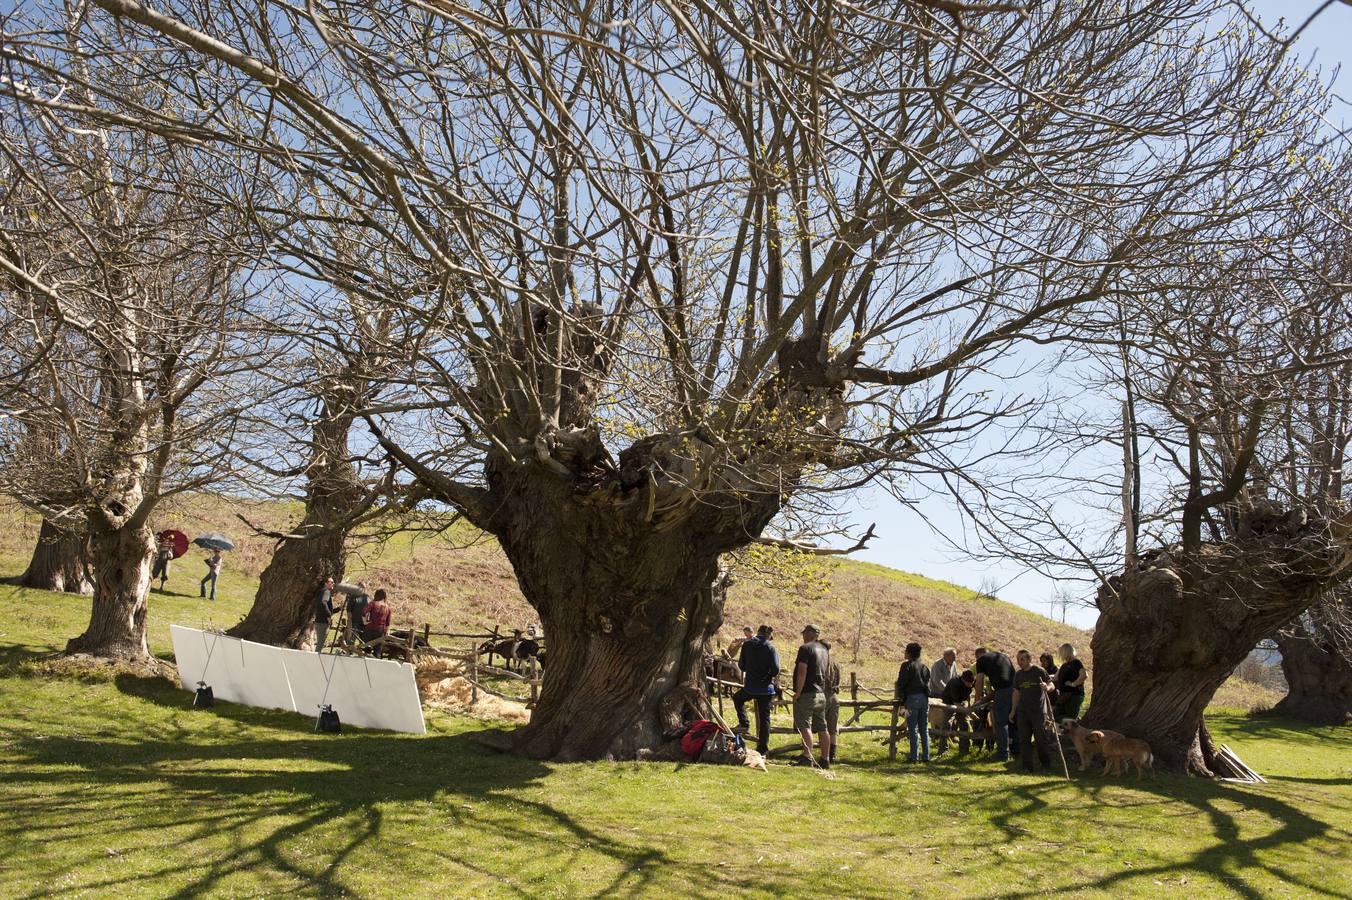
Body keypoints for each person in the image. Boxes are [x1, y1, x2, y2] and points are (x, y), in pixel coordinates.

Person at [733, 625, 780, 755]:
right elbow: (775, 670)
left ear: (758, 632)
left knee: (738, 698)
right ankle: (763, 748)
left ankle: (744, 723)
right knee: (764, 717)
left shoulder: (747, 645)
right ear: (768, 635)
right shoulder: (771, 647)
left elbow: (741, 665)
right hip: (766, 688)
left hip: (750, 687)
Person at [792, 624, 832, 768]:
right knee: (822, 727)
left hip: (807, 693)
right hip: (820, 693)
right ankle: (825, 758)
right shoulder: (824, 650)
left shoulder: (805, 649)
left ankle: (807, 756)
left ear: (810, 634)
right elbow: (827, 673)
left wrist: (798, 692)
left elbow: (802, 671)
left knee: (804, 725)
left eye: (804, 633)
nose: (803, 636)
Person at [1009, 649, 1054, 772]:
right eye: (1018, 660)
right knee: (1024, 740)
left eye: (1022, 659)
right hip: (1023, 712)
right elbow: (1016, 692)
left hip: (1038, 712)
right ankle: (1027, 767)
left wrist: (1047, 687)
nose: (1020, 662)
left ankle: (1045, 765)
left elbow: (1052, 685)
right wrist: (1013, 710)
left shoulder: (1039, 671)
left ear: (1029, 659)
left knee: (1041, 739)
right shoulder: (1018, 675)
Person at [973, 646, 1016, 760]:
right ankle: (1015, 749)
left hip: (1002, 691)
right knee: (1012, 720)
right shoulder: (1002, 656)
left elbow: (979, 683)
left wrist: (977, 702)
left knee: (1000, 722)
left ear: (977, 656)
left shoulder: (981, 661)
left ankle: (1003, 754)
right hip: (1015, 690)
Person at [895, 641, 931, 763]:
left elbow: (901, 683)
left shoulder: (906, 666)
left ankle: (914, 757)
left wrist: (901, 697)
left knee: (912, 728)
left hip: (911, 700)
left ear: (909, 653)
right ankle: (926, 756)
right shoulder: (924, 667)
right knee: (924, 728)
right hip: (924, 699)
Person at [937, 670, 977, 755]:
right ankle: (943, 750)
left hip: (961, 702)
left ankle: (964, 750)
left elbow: (968, 696)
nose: (971, 685)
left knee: (964, 724)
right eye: (969, 683)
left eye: (972, 683)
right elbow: (956, 704)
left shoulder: (971, 682)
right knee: (946, 724)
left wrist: (969, 707)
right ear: (963, 680)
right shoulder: (955, 684)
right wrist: (969, 713)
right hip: (949, 703)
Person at [1052, 643, 1088, 721]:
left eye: (1061, 653)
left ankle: (1077, 723)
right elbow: (1055, 677)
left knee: (1070, 718)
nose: (1060, 655)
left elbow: (1084, 675)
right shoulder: (1064, 665)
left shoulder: (1076, 663)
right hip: (1063, 696)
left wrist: (1073, 684)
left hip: (1074, 695)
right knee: (1055, 715)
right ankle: (1073, 725)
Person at [822, 640, 842, 763]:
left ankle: (823, 755)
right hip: (834, 697)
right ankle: (832, 754)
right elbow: (838, 682)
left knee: (821, 727)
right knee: (832, 728)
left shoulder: (820, 661)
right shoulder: (835, 663)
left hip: (822, 696)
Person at [313, 577, 337, 653]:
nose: (333, 583)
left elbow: (324, 606)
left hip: (319, 621)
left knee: (320, 643)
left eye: (333, 582)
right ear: (326, 583)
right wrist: (329, 617)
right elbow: (323, 603)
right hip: (322, 622)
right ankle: (315, 660)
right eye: (331, 582)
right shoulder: (326, 591)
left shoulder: (322, 592)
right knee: (320, 644)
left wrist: (339, 609)